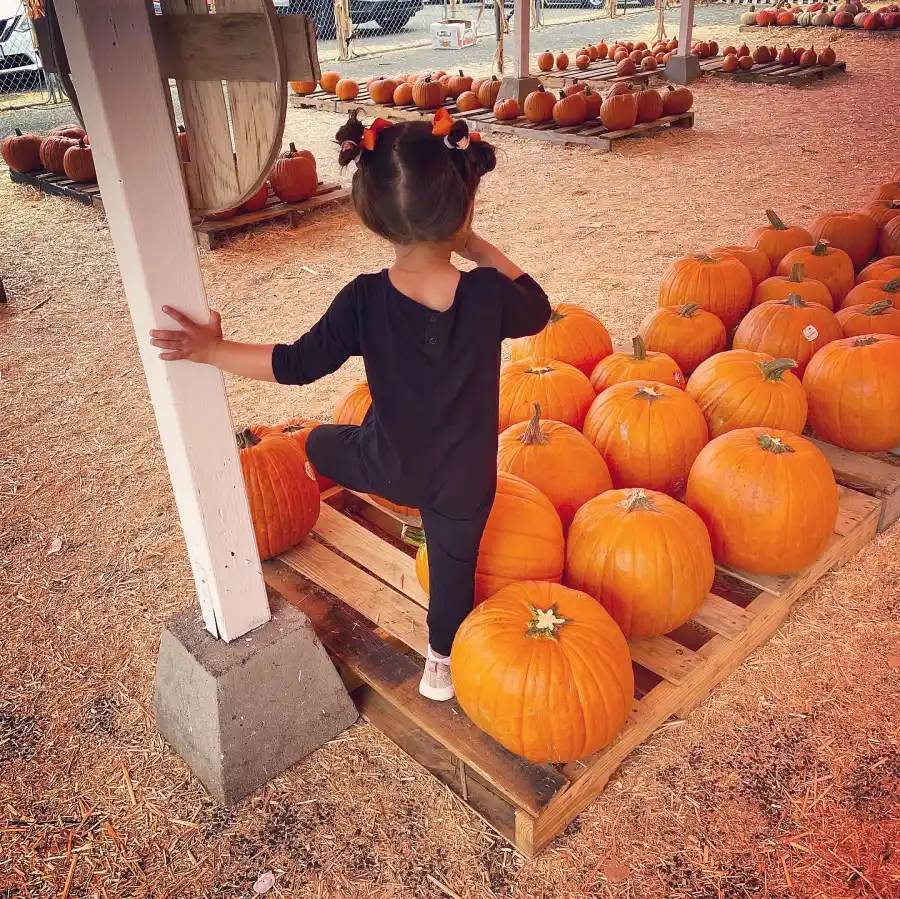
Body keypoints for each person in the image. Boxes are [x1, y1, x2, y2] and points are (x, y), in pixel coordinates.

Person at [150, 110, 550, 701]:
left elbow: (293, 365)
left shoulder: (363, 300)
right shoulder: (490, 296)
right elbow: (538, 306)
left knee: (320, 438)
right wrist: (474, 243)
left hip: (390, 466)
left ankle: (312, 458)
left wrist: (211, 350)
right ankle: (441, 667)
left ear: (373, 217)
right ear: (463, 204)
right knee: (453, 568)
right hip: (466, 478)